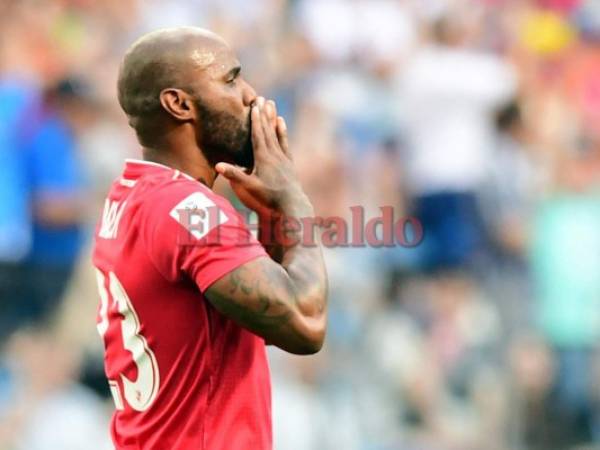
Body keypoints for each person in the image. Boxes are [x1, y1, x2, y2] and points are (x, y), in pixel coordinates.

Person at [91, 27, 328, 450]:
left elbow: (262, 318)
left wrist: (270, 212)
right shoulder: (188, 209)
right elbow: (303, 324)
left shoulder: (132, 196)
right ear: (179, 104)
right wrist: (296, 201)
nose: (251, 96)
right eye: (230, 79)